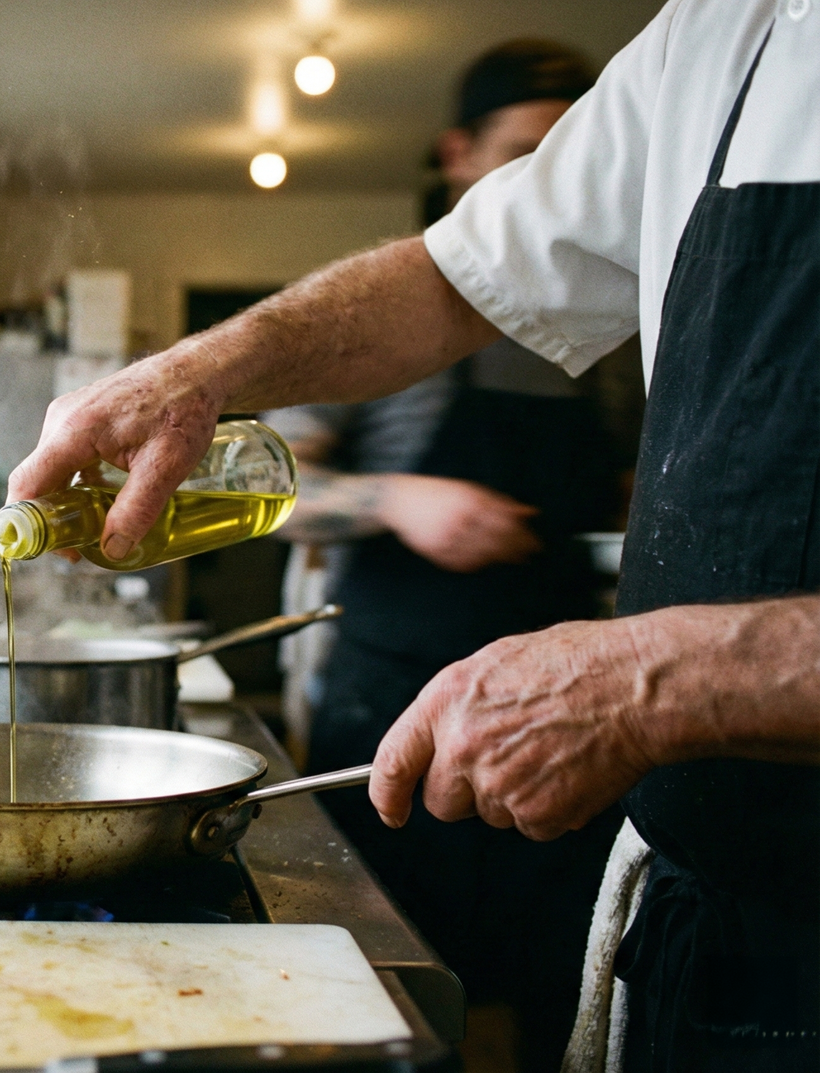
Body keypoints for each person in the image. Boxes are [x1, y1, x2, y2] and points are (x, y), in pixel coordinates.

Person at [8, 2, 820, 1069]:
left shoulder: (603, 356)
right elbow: (450, 281)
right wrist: (197, 372)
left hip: (588, 708)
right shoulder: (717, 33)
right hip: (634, 834)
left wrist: (645, 674)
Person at [260, 40, 626, 1071]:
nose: (550, 184)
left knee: (560, 990)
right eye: (522, 153)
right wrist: (396, 498)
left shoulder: (609, 327)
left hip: (562, 712)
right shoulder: (383, 320)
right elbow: (267, 493)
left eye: (572, 156)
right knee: (393, 998)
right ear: (457, 154)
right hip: (392, 704)